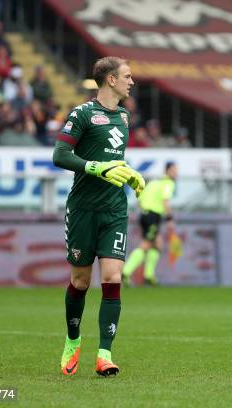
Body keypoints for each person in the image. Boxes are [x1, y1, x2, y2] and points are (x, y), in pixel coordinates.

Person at [52, 56, 145, 377]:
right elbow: (60, 155)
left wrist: (129, 174)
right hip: (82, 209)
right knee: (80, 280)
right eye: (127, 76)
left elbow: (113, 158)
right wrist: (95, 167)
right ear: (110, 80)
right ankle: (73, 340)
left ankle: (104, 354)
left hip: (115, 208)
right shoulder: (82, 114)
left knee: (112, 278)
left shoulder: (123, 116)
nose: (132, 82)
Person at [122, 162, 178, 286]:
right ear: (167, 170)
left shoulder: (153, 183)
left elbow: (140, 200)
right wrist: (170, 220)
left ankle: (149, 276)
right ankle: (125, 272)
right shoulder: (168, 183)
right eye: (174, 170)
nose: (176, 173)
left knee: (158, 244)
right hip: (153, 216)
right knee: (146, 244)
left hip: (145, 214)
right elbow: (166, 202)